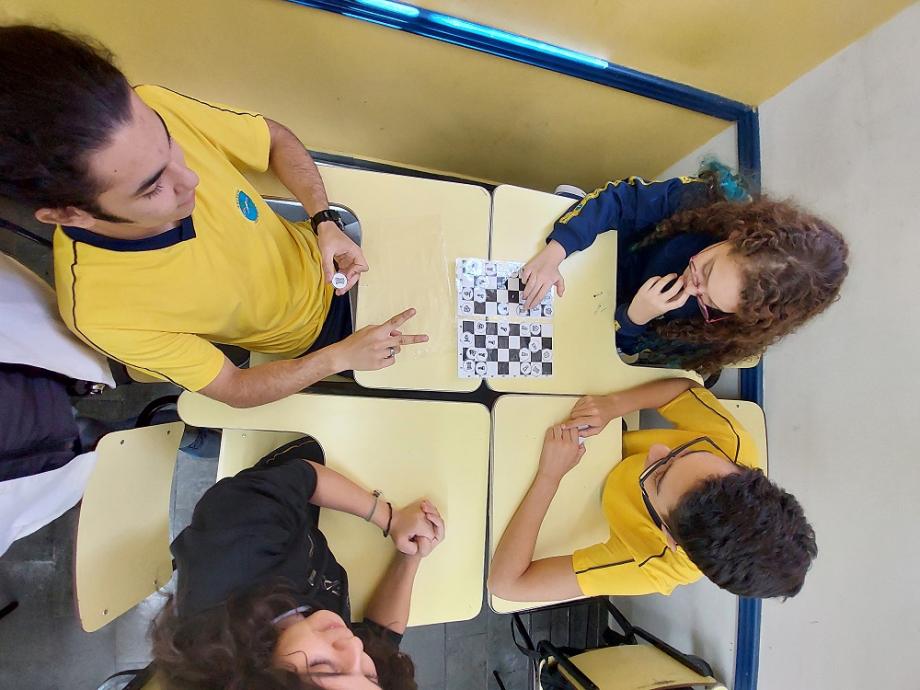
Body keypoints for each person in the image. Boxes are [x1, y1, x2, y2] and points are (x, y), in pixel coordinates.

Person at [0, 25, 428, 408]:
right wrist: (339, 358)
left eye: (168, 141)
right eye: (152, 187)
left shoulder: (152, 103)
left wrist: (324, 220)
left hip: (333, 249)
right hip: (322, 339)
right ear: (69, 214)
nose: (190, 179)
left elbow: (274, 139)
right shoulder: (103, 311)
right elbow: (233, 387)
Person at [151, 437, 445, 689]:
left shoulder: (237, 548)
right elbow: (383, 638)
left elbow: (305, 476)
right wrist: (411, 555)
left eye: (324, 667)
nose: (354, 646)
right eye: (370, 676)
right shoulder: (321, 648)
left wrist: (389, 517)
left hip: (275, 495)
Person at [487, 378, 816, 601]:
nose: (658, 449)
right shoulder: (733, 445)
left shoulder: (656, 564)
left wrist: (548, 477)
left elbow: (507, 584)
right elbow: (685, 390)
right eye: (685, 452)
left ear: (669, 536)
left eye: (658, 477)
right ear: (742, 469)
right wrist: (615, 405)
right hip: (584, 443)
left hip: (562, 491)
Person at [520, 161, 849, 374]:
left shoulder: (725, 333)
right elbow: (622, 200)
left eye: (709, 302)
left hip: (601, 319)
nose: (691, 288)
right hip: (595, 250)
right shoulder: (709, 198)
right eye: (706, 271)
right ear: (735, 235)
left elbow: (629, 359)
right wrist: (557, 250)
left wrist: (635, 319)